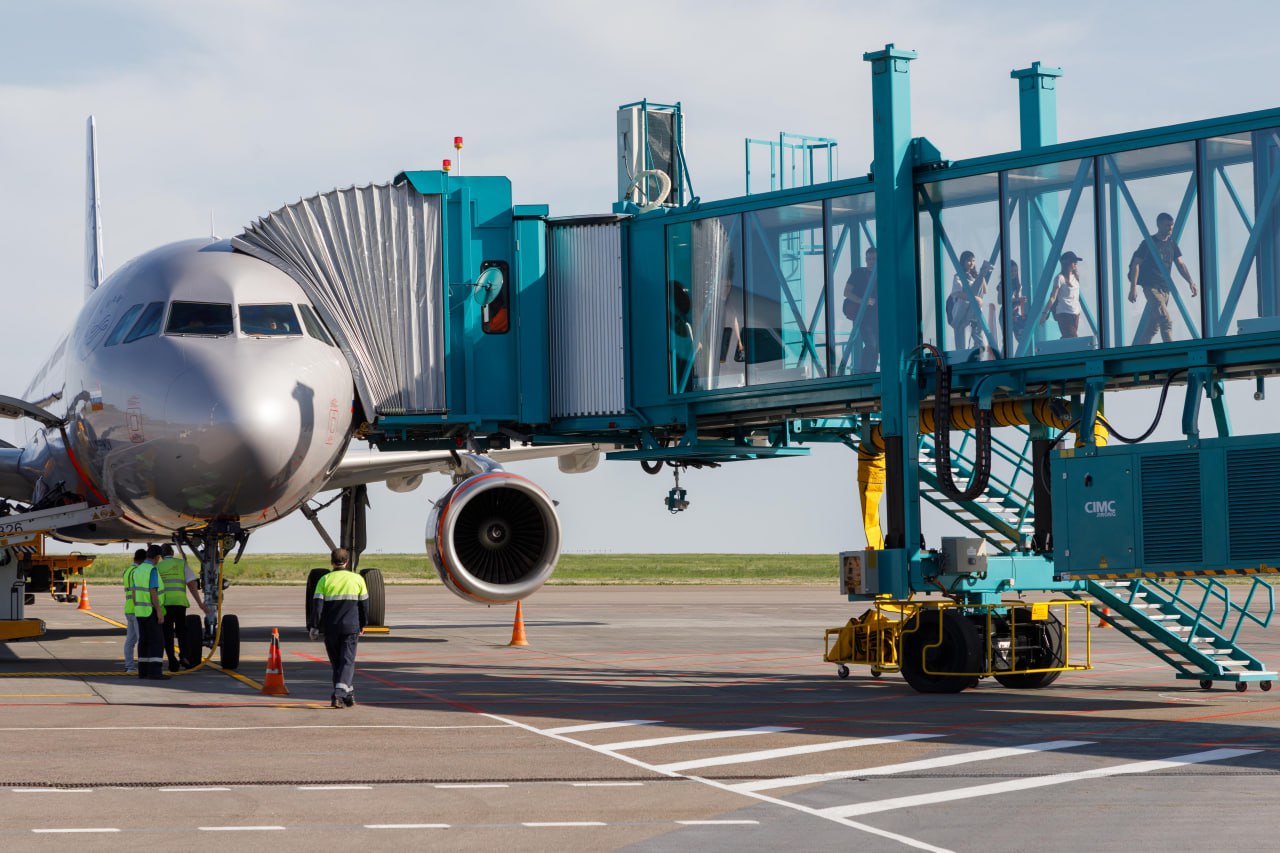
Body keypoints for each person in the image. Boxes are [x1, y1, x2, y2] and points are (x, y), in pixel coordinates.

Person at [310, 548, 369, 708]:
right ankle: (339, 695)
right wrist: (364, 624)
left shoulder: (324, 580)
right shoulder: (357, 579)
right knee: (347, 662)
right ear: (347, 562)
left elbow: (317, 607)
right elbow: (364, 605)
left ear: (331, 562)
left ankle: (347, 695)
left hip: (331, 628)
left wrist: (314, 626)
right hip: (350, 628)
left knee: (337, 664)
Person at [1128, 212, 1198, 344]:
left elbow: (1180, 264)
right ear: (1159, 225)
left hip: (1166, 289)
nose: (1170, 228)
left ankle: (1139, 352)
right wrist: (1133, 288)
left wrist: (1191, 282)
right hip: (1151, 287)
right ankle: (1171, 351)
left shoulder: (1172, 244)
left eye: (1172, 225)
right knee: (1166, 320)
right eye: (1167, 225)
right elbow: (1136, 264)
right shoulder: (1148, 243)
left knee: (1153, 328)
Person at [156, 543, 207, 671]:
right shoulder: (181, 564)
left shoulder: (157, 566)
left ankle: (172, 661)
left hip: (165, 604)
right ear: (172, 553)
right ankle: (184, 656)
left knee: (167, 634)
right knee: (182, 632)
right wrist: (200, 603)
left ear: (161, 556)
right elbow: (191, 584)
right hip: (179, 603)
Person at [128, 545, 168, 681]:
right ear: (157, 557)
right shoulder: (152, 570)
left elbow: (133, 592)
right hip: (150, 611)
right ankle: (155, 672)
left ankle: (143, 671)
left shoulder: (137, 570)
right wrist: (159, 612)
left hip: (139, 611)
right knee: (157, 642)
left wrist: (137, 606)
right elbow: (153, 592)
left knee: (143, 642)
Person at [945, 251, 993, 352]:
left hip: (974, 314)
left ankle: (974, 359)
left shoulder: (974, 276)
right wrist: (976, 299)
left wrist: (980, 277)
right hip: (963, 314)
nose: (971, 263)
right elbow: (957, 293)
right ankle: (965, 363)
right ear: (963, 262)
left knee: (982, 345)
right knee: (962, 348)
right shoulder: (958, 276)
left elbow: (985, 290)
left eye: (973, 261)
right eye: (969, 261)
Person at [842, 247, 879, 373]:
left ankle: (871, 372)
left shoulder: (882, 274)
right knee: (871, 345)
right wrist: (863, 301)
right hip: (863, 315)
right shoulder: (858, 273)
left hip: (877, 316)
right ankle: (864, 373)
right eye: (869, 259)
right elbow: (846, 292)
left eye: (874, 259)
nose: (871, 261)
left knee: (877, 346)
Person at [1043, 251, 1085, 338]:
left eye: (1076, 262)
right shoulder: (1059, 278)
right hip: (1064, 312)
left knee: (1068, 337)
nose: (1075, 263)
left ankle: (1059, 349)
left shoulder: (1076, 277)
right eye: (1073, 261)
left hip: (1075, 313)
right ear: (1066, 263)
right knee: (1072, 337)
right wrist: (1045, 313)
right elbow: (1053, 297)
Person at [121, 548, 145, 674]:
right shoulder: (137, 571)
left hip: (128, 608)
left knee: (130, 640)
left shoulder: (127, 571)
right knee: (141, 639)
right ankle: (143, 665)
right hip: (137, 609)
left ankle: (129, 666)